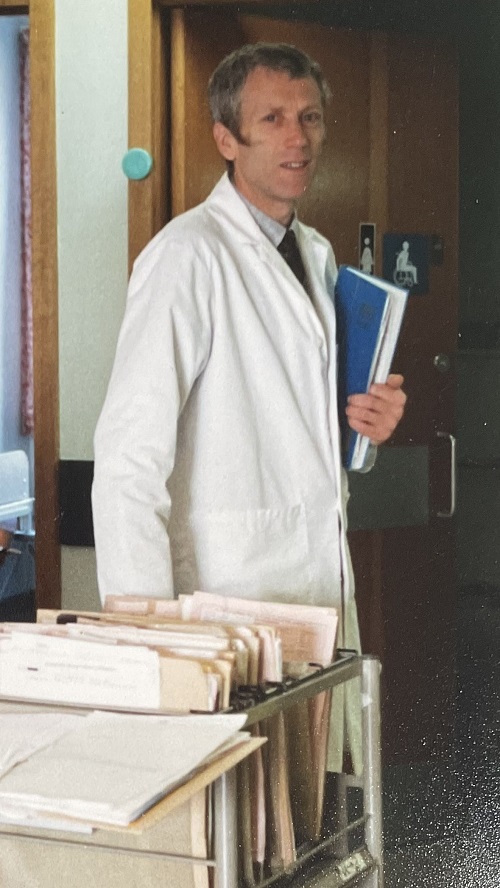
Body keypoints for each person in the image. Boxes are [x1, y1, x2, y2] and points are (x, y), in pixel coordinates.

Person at [92, 42, 406, 770]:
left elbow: (292, 426)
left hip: (310, 595)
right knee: (238, 818)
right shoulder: (186, 257)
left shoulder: (316, 254)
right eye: (273, 119)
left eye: (310, 117)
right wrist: (152, 643)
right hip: (221, 610)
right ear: (226, 139)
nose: (298, 138)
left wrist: (367, 427)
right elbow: (128, 464)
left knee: (316, 813)